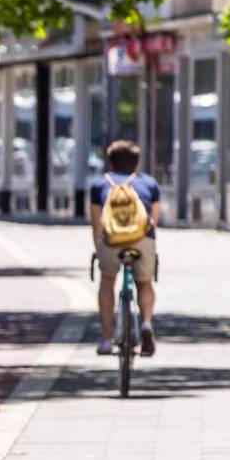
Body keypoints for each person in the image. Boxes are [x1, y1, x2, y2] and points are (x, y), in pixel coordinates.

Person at [90, 140, 160, 356]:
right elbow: (152, 223)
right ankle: (146, 322)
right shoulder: (149, 184)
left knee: (108, 281)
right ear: (136, 164)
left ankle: (106, 339)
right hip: (142, 240)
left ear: (110, 164)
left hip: (112, 241)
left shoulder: (100, 184)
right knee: (145, 283)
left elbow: (96, 224)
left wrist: (99, 248)